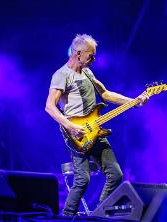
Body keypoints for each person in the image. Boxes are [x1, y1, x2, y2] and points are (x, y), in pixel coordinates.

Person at [45, 34, 148, 216]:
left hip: (96, 131)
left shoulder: (87, 72)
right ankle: (66, 217)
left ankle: (98, 215)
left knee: (116, 174)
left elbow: (106, 94)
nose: (94, 59)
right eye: (90, 56)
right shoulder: (61, 75)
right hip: (77, 135)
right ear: (78, 53)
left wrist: (134, 101)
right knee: (82, 180)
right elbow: (49, 107)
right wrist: (70, 126)